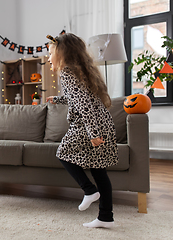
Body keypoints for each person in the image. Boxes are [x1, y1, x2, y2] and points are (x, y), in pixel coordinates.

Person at [45, 33, 118, 228]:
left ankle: (89, 190)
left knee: (63, 153)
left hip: (88, 125)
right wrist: (58, 99)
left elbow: (84, 104)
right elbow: (81, 97)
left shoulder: (67, 73)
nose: (48, 57)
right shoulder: (82, 71)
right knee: (98, 169)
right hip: (102, 122)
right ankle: (106, 217)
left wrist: (93, 133)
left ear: (62, 53)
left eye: (51, 53)